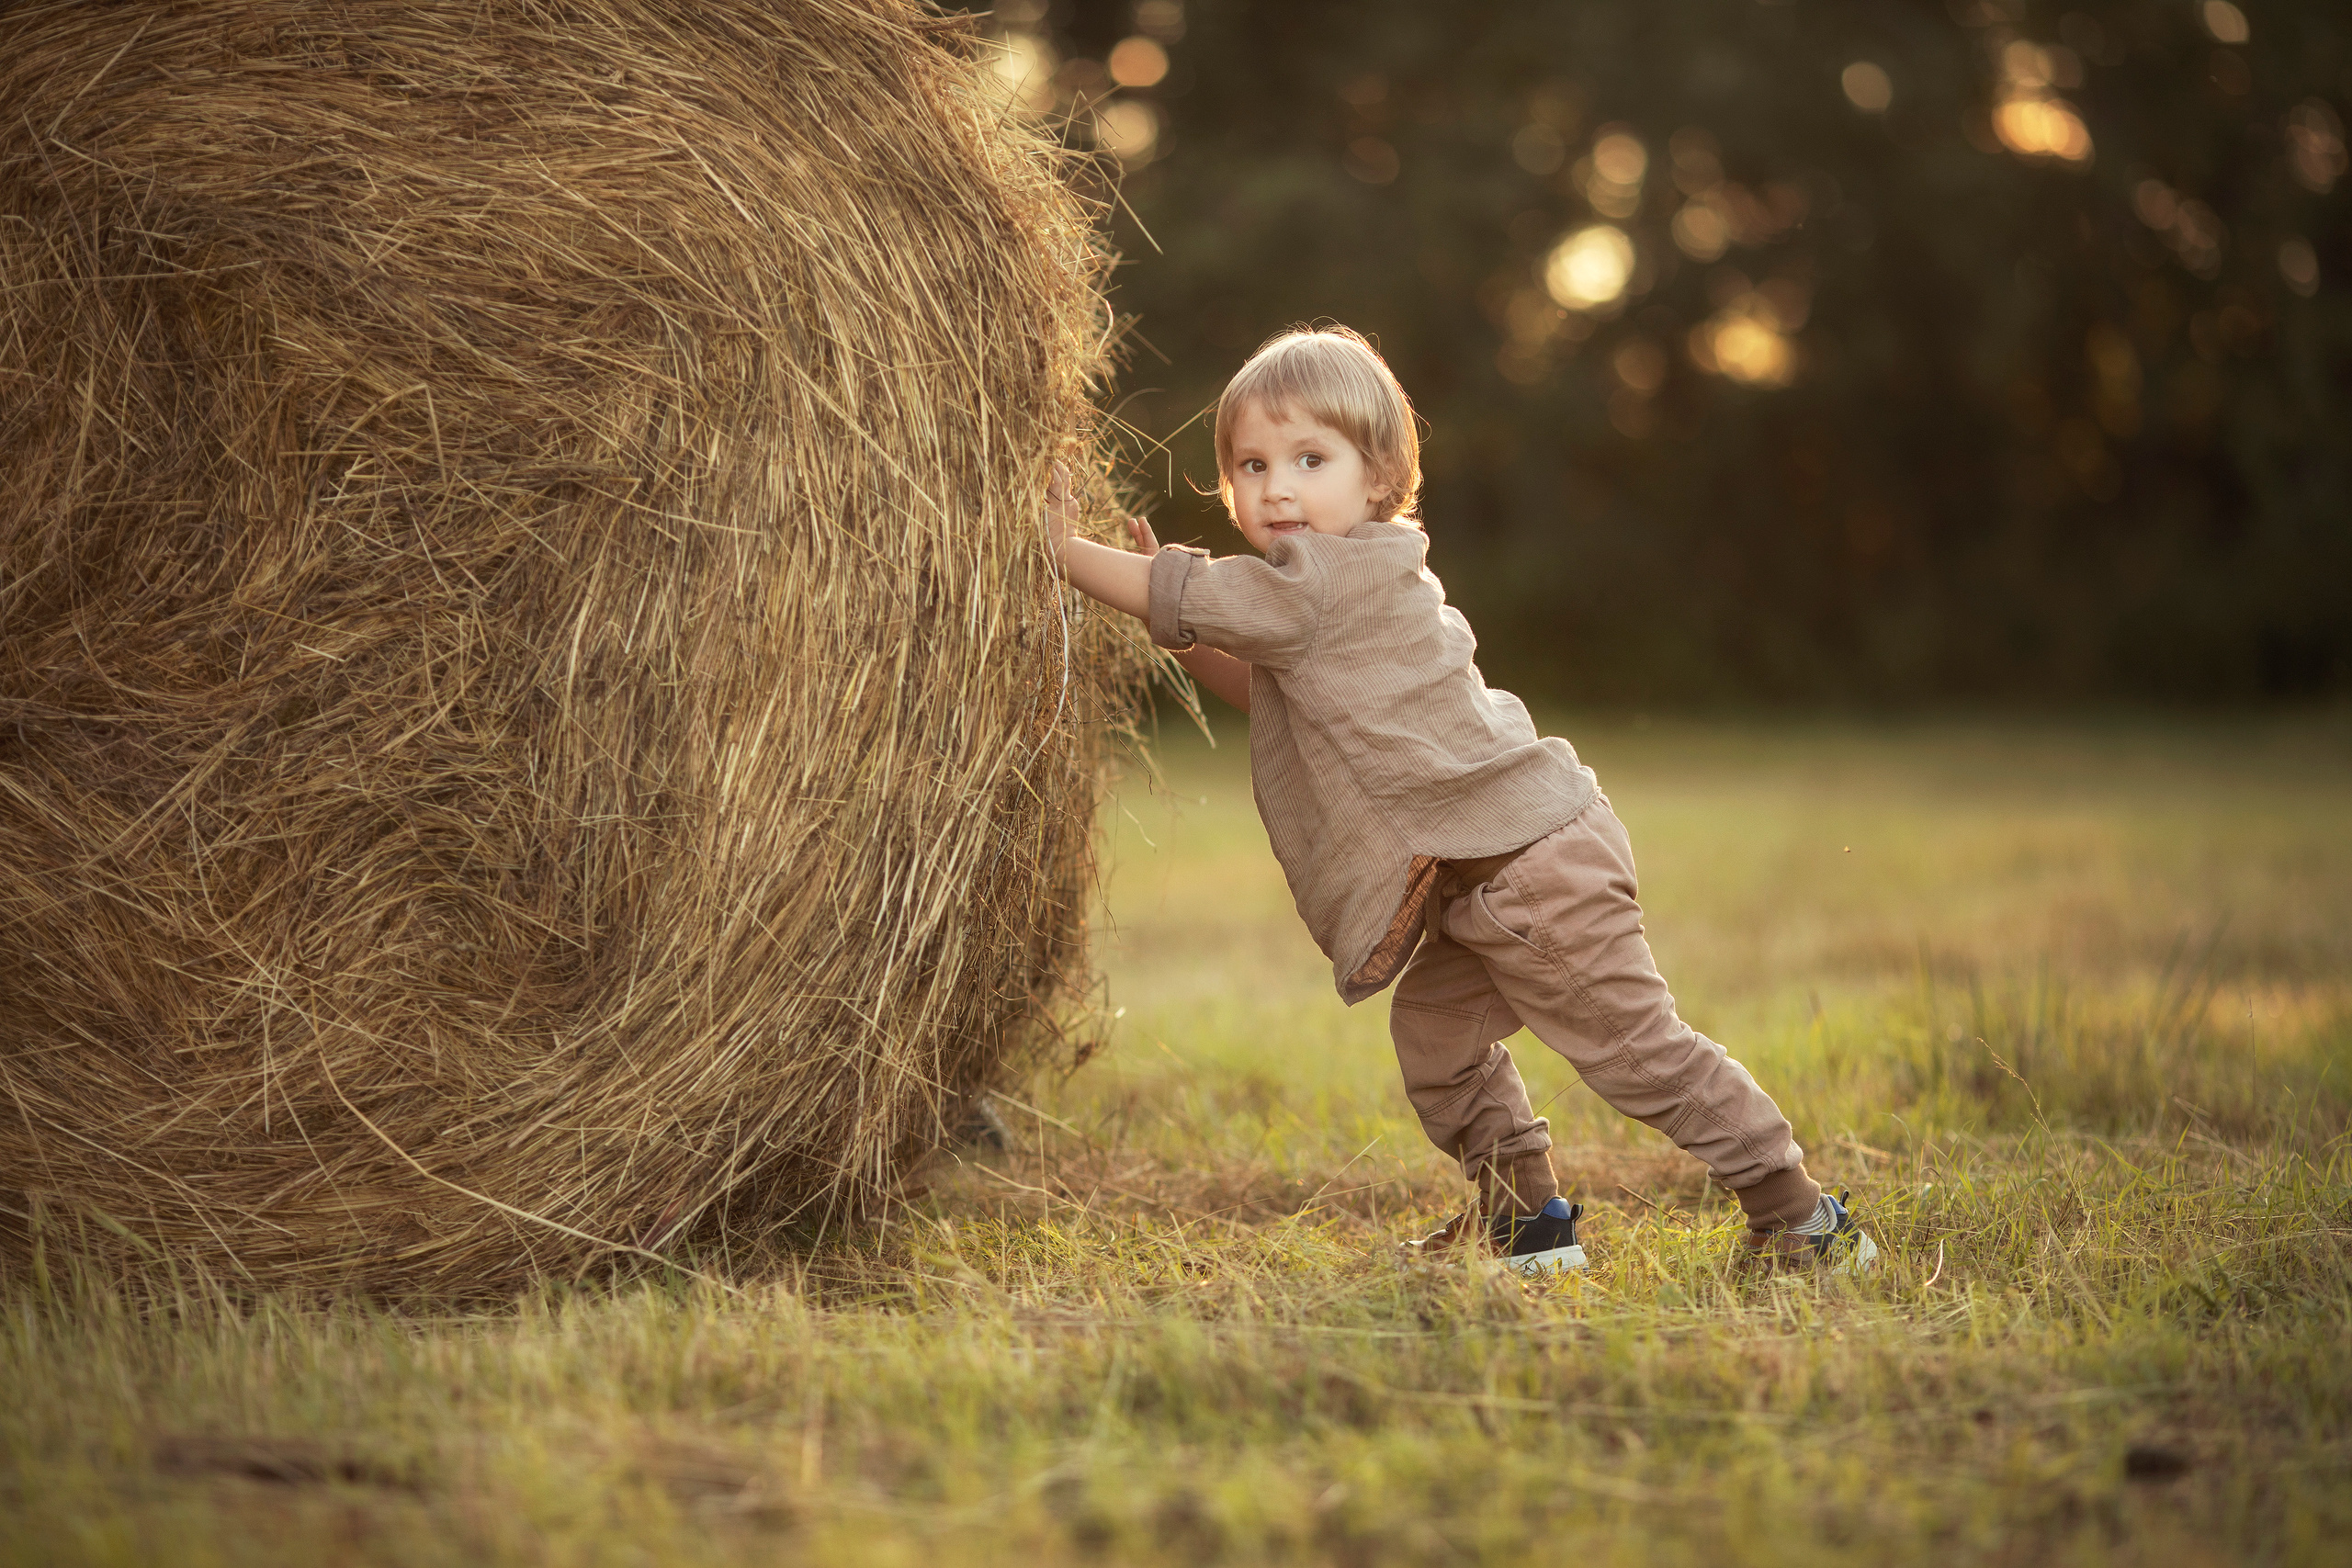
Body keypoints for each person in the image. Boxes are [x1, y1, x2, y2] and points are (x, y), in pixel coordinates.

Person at [1047, 324, 1874, 1277]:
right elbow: (1265, 684)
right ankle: (1527, 1225)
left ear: (1378, 475)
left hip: (1527, 872)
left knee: (1636, 1054)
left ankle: (1799, 1214)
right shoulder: (1340, 585)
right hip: (1497, 872)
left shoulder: (1324, 582)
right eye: (1250, 463)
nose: (1276, 486)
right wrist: (1173, 622)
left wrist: (1061, 547)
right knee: (1439, 1045)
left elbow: (1180, 591)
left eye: (1309, 458)